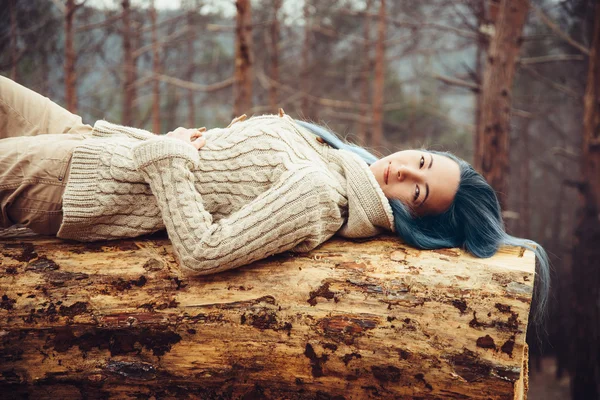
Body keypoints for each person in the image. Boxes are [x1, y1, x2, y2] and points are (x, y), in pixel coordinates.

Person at [0, 76, 549, 319]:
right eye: (422, 161)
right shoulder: (335, 158)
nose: (402, 170)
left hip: (80, 182)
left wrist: (169, 156)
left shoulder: (321, 197)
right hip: (93, 139)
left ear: (415, 222)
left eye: (418, 191)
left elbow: (203, 251)